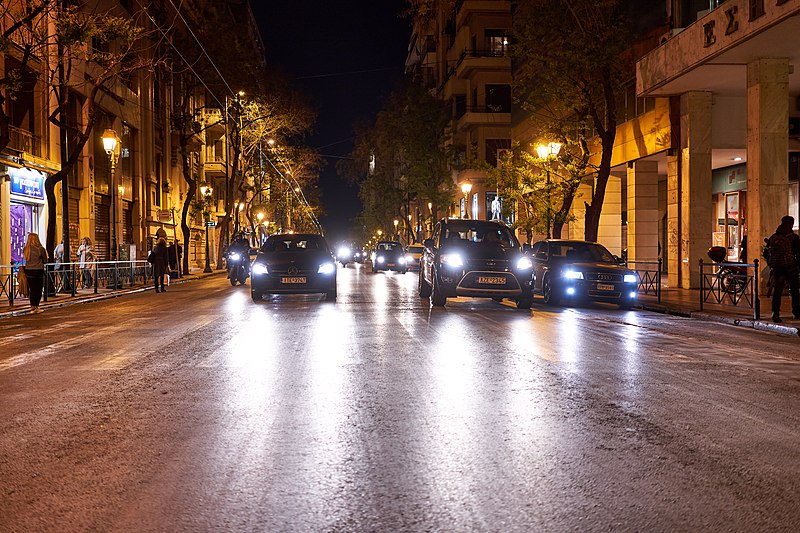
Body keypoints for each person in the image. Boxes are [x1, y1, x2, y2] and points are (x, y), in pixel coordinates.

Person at [766, 215, 800, 323]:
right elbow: (799, 254)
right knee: (794, 291)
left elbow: (766, 253)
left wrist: (772, 264)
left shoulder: (773, 237)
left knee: (777, 291)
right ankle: (796, 312)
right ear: (791, 224)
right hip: (791, 268)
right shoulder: (794, 238)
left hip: (778, 268)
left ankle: (775, 313)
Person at [23, 233, 48, 313]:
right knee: (38, 289)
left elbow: (24, 260)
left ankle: (32, 306)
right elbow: (45, 261)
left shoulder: (26, 249)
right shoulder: (40, 249)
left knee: (32, 289)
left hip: (28, 271)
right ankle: (36, 306)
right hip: (38, 270)